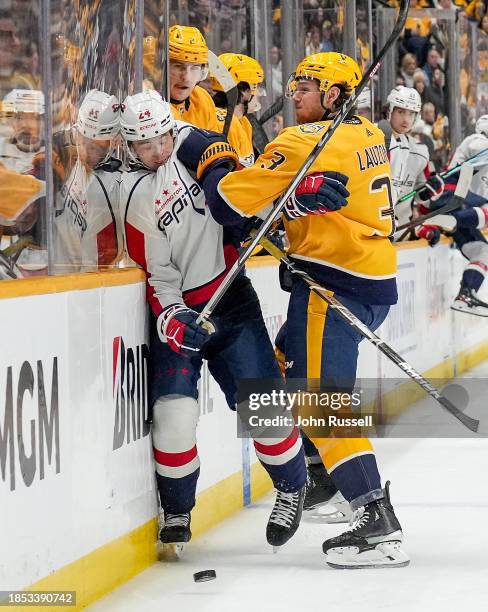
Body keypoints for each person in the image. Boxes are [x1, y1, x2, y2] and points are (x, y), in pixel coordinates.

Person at [177, 52, 409, 569]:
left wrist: (201, 147)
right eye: (296, 84)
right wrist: (291, 203)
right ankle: (322, 476)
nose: (295, 94)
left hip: (333, 288)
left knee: (318, 404)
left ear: (333, 96)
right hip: (370, 282)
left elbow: (228, 202)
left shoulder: (303, 142)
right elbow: (298, 201)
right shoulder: (367, 133)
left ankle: (376, 520)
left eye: (306, 86)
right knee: (282, 370)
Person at [119, 89, 337, 550]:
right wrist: (176, 318)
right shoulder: (136, 193)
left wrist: (293, 197)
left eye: (160, 138)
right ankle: (176, 509)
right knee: (172, 414)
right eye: (144, 145)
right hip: (184, 310)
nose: (156, 150)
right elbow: (158, 275)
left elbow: (246, 192)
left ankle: (292, 486)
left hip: (231, 299)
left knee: (266, 411)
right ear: (129, 145)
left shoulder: (193, 144)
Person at [50, 89, 122, 273]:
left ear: (114, 141)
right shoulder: (58, 148)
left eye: (96, 145)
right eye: (83, 139)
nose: (86, 150)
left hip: (95, 276)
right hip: (55, 270)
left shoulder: (120, 173)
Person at [423, 115, 488, 315]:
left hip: (461, 206)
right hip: (450, 196)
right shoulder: (477, 141)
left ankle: (465, 295)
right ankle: (446, 220)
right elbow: (478, 149)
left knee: (483, 252)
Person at [379, 85, 445, 239]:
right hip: (371, 229)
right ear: (390, 111)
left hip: (401, 230)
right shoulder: (370, 139)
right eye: (401, 112)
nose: (406, 119)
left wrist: (430, 191)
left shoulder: (420, 151)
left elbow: (420, 195)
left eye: (411, 114)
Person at [210, 52, 265, 167]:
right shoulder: (226, 124)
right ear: (244, 91)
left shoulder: (244, 122)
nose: (259, 93)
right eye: (256, 86)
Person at [167, 24, 220, 131]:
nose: (186, 77)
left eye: (195, 68)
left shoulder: (202, 99)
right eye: (178, 66)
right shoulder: (149, 102)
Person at [0, 89, 45, 173]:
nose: (26, 125)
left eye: (35, 118)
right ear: (9, 122)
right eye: (19, 117)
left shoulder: (53, 154)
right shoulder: (2, 148)